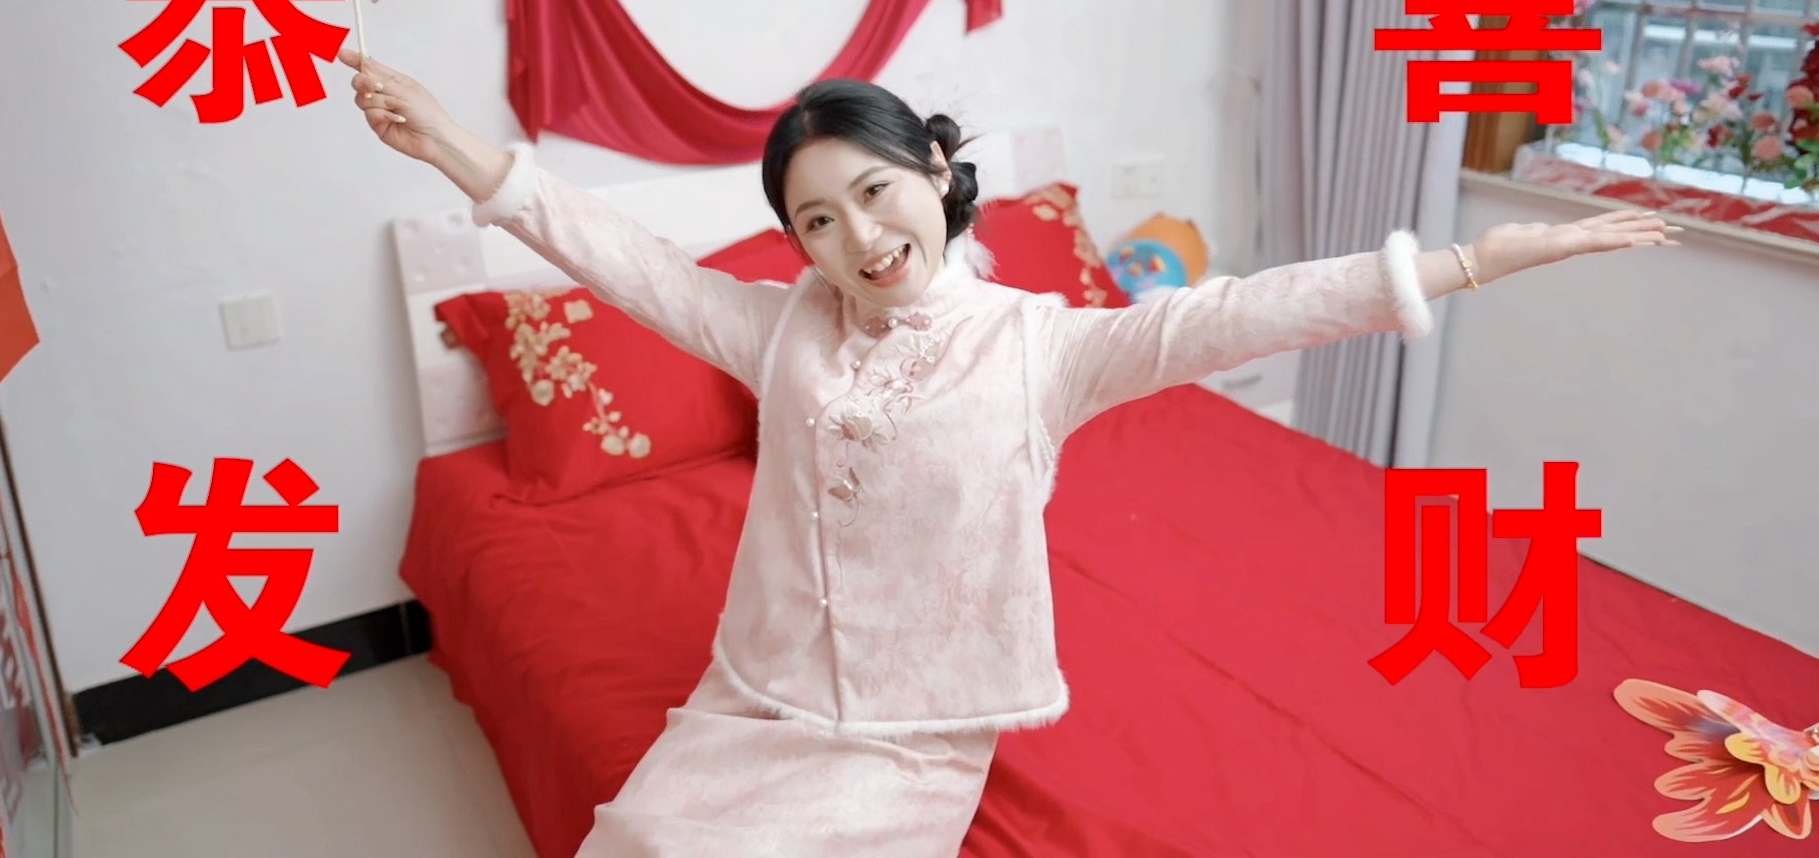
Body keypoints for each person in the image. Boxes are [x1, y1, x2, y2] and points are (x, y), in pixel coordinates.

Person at [340, 50, 1677, 856]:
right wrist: (450, 143)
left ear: (933, 168)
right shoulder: (775, 330)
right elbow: (620, 259)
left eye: (873, 190)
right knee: (640, 841)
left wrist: (1467, 260)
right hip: (758, 690)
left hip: (921, 722)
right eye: (817, 221)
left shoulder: (1044, 347)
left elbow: (1233, 315)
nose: (860, 238)